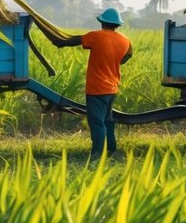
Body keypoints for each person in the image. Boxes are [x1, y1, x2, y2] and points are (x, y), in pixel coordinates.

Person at [49, 8, 133, 158]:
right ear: (117, 25)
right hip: (112, 87)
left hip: (97, 88)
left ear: (102, 22)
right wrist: (114, 62)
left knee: (96, 122)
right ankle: (111, 148)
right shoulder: (125, 40)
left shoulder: (96, 36)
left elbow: (70, 41)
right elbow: (128, 56)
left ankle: (97, 153)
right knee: (108, 120)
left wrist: (56, 40)